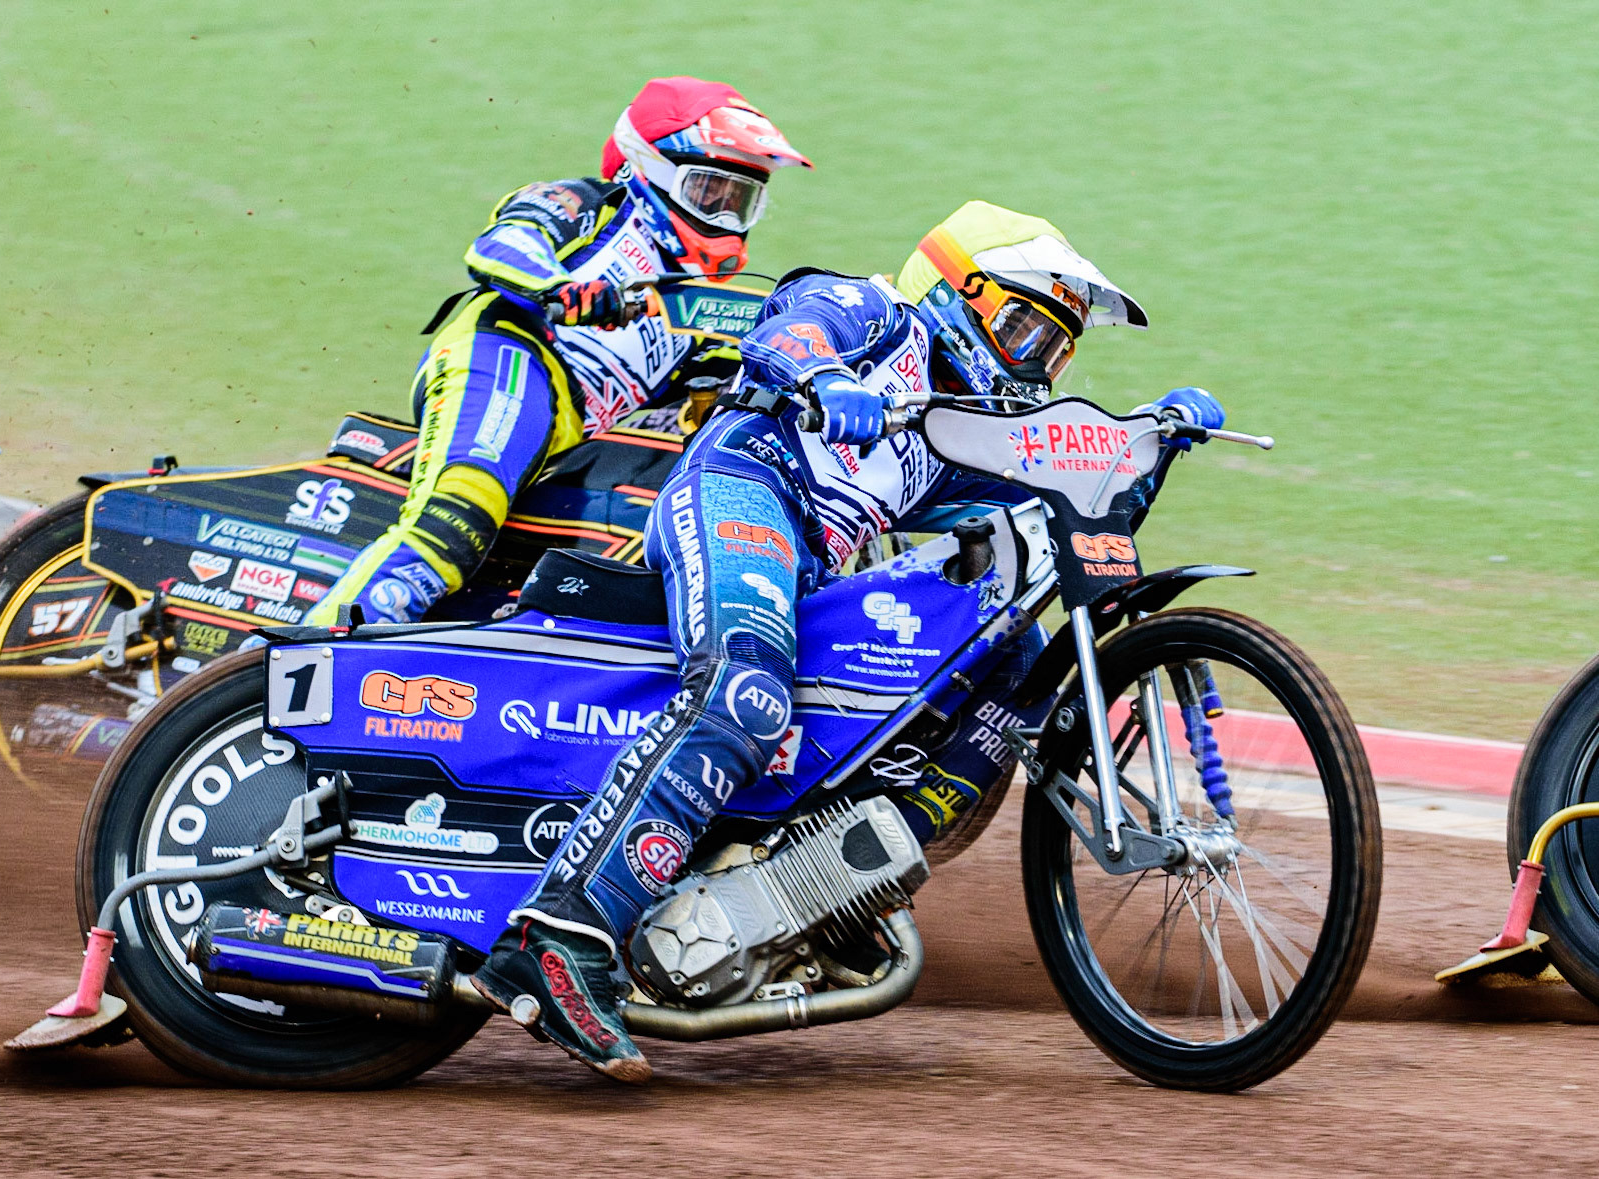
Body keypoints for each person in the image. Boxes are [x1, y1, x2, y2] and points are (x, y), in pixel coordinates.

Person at [472, 200, 1226, 1082]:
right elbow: (788, 328)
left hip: (813, 564)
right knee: (746, 697)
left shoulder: (957, 425)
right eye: (1024, 329)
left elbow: (1055, 510)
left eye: (1056, 349)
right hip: (742, 488)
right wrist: (827, 379)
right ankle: (562, 932)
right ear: (959, 293)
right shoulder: (875, 311)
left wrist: (1145, 444)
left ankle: (831, 889)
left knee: (1013, 654)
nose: (1037, 363)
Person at [308, 77, 810, 625]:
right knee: (457, 515)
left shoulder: (698, 305)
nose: (724, 214)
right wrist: (560, 289)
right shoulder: (588, 204)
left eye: (740, 200)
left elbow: (723, 388)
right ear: (652, 168)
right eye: (709, 191)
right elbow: (502, 244)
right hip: (507, 355)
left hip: (570, 430)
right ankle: (302, 648)